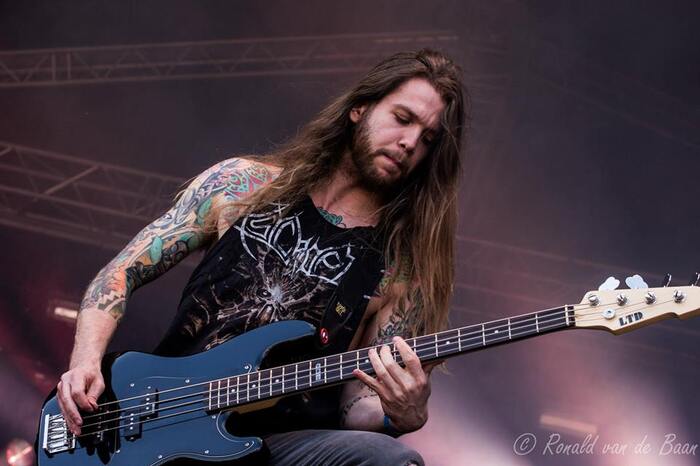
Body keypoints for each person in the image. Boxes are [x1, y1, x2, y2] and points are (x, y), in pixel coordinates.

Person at [55, 48, 466, 465]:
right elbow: (122, 271)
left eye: (428, 139)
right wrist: (85, 362)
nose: (410, 143)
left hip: (277, 448)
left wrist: (401, 413)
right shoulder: (243, 185)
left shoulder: (398, 271)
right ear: (360, 108)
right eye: (402, 118)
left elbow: (355, 403)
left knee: (390, 459)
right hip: (166, 420)